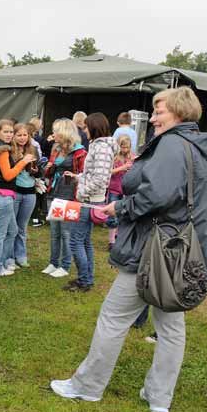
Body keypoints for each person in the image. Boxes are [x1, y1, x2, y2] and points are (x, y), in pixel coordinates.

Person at [50, 87, 207, 412]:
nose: (153, 117)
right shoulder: (196, 146)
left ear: (180, 112)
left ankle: (87, 386)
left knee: (114, 317)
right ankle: (159, 399)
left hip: (153, 250)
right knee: (170, 328)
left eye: (160, 110)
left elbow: (156, 196)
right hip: (182, 250)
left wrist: (120, 208)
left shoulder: (171, 145)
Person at [65, 113, 118, 292]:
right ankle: (86, 279)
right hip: (90, 199)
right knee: (84, 241)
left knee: (75, 241)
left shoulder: (102, 148)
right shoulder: (99, 146)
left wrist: (81, 191)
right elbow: (93, 174)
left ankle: (84, 280)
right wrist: (78, 177)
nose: (84, 130)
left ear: (94, 127)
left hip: (89, 201)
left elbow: (101, 179)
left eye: (86, 127)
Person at [0, 119, 35, 276]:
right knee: (0, 233)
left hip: (1, 194)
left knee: (13, 230)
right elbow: (8, 175)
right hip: (2, 196)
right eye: (6, 132)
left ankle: (2, 262)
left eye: (11, 132)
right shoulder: (2, 150)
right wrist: (23, 162)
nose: (9, 135)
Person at [42, 119, 87, 278]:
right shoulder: (56, 148)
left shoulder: (80, 152)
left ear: (64, 132)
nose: (53, 134)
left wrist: (74, 176)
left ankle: (65, 265)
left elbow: (84, 175)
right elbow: (49, 172)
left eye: (56, 131)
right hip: (54, 192)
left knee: (66, 233)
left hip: (70, 195)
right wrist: (48, 169)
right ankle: (53, 262)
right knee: (55, 232)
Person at [8, 123, 40, 268]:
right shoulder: (9, 151)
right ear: (13, 136)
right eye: (19, 135)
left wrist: (38, 170)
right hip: (15, 191)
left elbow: (38, 172)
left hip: (30, 193)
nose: (22, 138)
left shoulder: (33, 149)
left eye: (25, 135)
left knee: (22, 226)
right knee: (11, 226)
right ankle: (8, 257)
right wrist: (21, 160)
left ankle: (20, 255)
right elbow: (8, 172)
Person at [106, 135, 134, 250]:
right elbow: (108, 172)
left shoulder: (132, 157)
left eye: (127, 148)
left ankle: (119, 238)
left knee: (123, 215)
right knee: (112, 216)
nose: (125, 150)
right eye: (123, 147)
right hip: (114, 189)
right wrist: (122, 168)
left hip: (126, 191)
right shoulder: (114, 157)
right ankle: (111, 241)